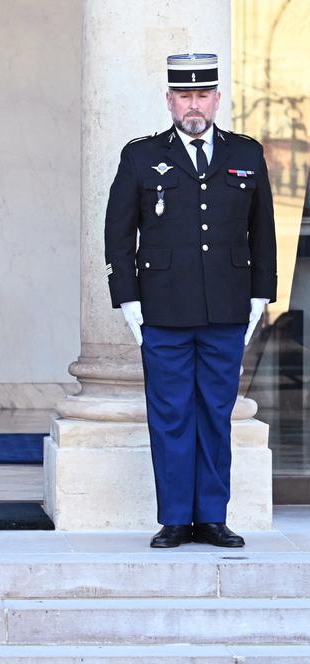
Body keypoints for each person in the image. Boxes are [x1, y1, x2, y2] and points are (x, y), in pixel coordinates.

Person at [104, 53, 277, 549]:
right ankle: (176, 518)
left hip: (226, 308)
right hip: (163, 310)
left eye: (203, 95)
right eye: (184, 96)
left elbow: (261, 228)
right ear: (169, 101)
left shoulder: (246, 153)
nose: (193, 105)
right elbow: (119, 234)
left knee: (216, 414)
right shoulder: (140, 156)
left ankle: (213, 517)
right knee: (171, 415)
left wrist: (261, 293)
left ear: (217, 99)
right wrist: (127, 300)